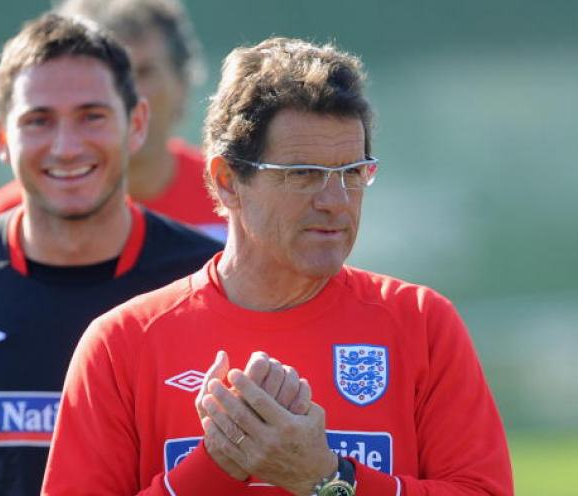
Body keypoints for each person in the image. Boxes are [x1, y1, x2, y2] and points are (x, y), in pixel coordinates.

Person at [42, 37, 514, 495]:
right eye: (303, 175)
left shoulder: (421, 324)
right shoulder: (123, 344)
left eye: (352, 172)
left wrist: (329, 479)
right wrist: (214, 469)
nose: (336, 201)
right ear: (227, 181)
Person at [0, 14, 224, 496]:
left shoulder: (208, 280)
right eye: (38, 120)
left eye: (92, 115)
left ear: (137, 124)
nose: (66, 147)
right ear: (0, 137)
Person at [0, 0, 227, 241]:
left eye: (144, 72)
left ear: (183, 81)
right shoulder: (0, 221)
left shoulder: (233, 194)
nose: (129, 93)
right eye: (104, 76)